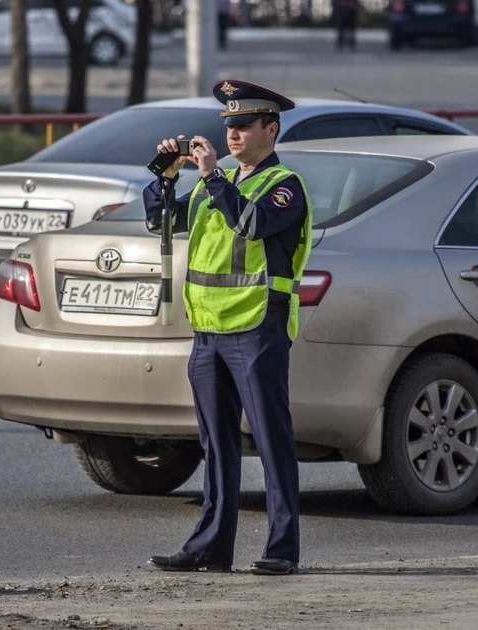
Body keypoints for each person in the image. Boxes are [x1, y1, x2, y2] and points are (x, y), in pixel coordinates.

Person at [143, 80, 312, 576]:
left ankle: (282, 549)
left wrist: (213, 176)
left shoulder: (284, 185)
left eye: (242, 125)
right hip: (209, 331)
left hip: (258, 328)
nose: (233, 133)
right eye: (228, 126)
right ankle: (210, 549)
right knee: (215, 445)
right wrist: (167, 177)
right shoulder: (212, 185)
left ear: (270, 128)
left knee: (271, 440)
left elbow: (254, 225)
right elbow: (160, 221)